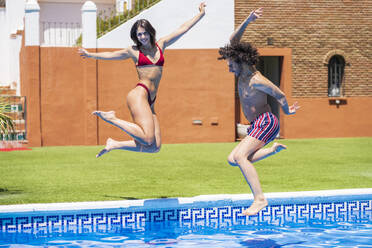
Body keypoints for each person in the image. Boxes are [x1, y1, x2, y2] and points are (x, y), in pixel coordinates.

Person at [79, 3, 206, 157]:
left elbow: (182, 29)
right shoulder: (134, 51)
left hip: (150, 100)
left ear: (150, 33)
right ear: (135, 37)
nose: (143, 37)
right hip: (139, 94)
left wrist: (200, 15)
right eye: (139, 35)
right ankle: (111, 118)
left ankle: (115, 143)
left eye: (145, 33)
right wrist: (91, 54)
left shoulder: (161, 44)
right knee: (147, 138)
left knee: (154, 146)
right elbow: (112, 54)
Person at [218, 8, 300, 216]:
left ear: (241, 61)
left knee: (241, 157)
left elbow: (280, 95)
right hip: (257, 124)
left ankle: (260, 199)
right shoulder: (242, 74)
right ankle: (272, 150)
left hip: (266, 122)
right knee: (232, 158)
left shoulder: (256, 80)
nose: (228, 69)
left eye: (230, 65)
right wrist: (248, 20)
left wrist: (287, 112)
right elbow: (233, 39)